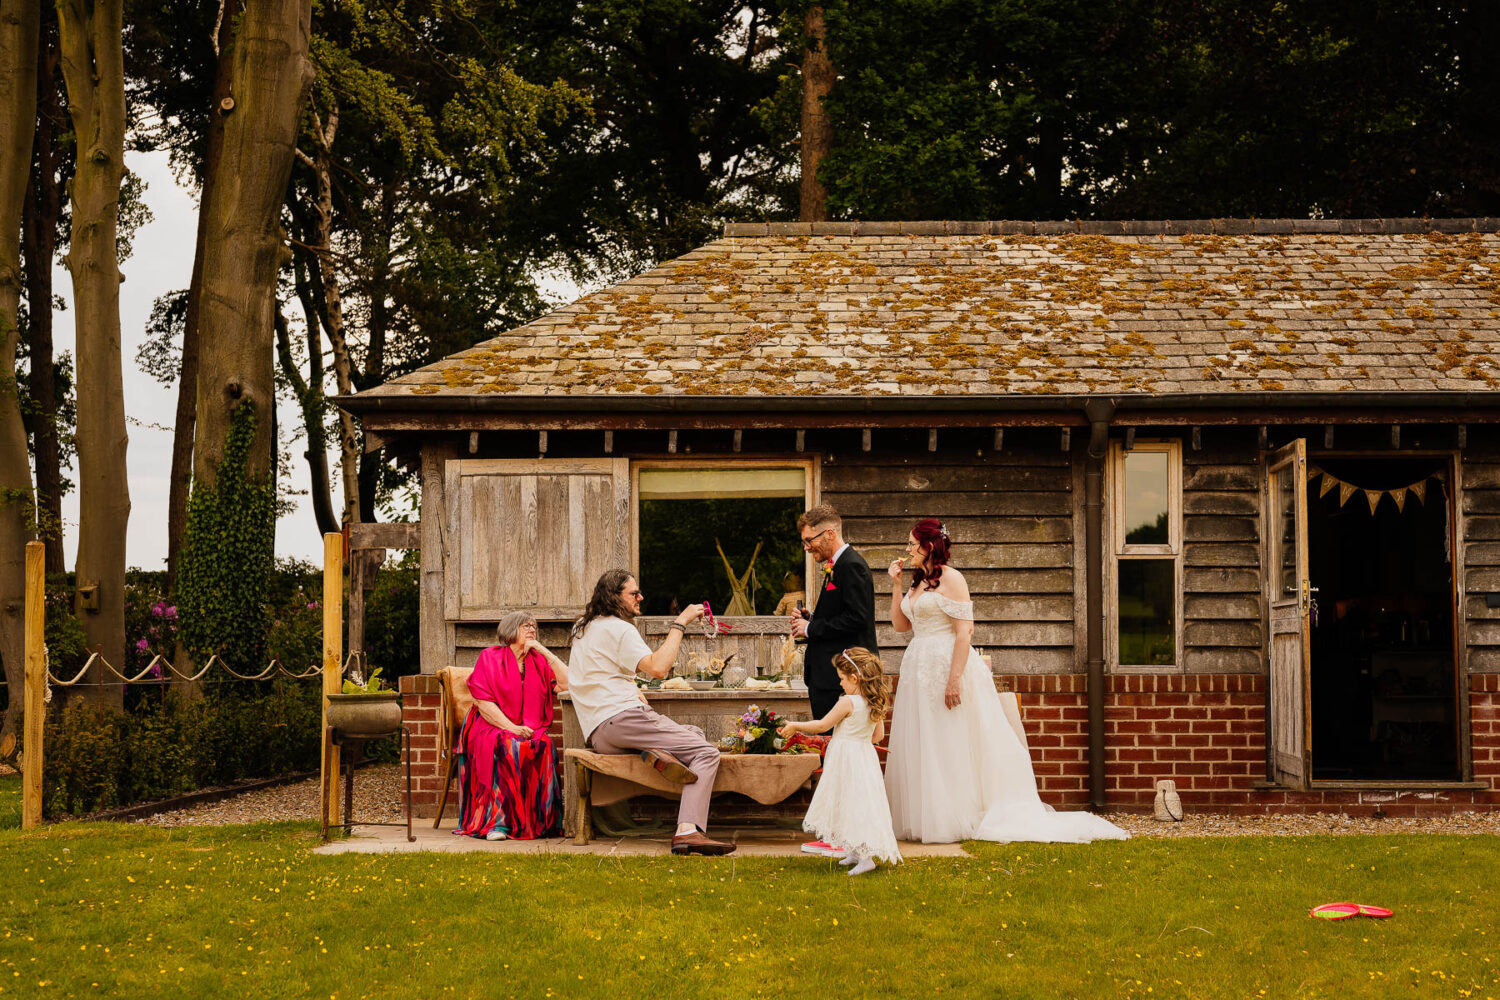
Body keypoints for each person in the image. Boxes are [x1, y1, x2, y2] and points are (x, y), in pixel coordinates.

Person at [883, 518, 1129, 845]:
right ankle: (928, 815)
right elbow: (901, 626)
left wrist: (954, 679)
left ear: (929, 547)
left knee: (950, 738)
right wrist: (896, 585)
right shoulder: (916, 583)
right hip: (918, 667)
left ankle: (957, 815)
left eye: (912, 544)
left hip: (947, 665)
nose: (907, 550)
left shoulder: (952, 579)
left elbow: (964, 632)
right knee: (924, 738)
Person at [568, 568, 736, 856]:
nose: (640, 597)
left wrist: (631, 687)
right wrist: (680, 623)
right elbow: (659, 668)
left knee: (692, 733)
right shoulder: (620, 628)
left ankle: (661, 753)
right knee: (706, 752)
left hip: (600, 733)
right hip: (624, 718)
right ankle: (688, 831)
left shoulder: (584, 627)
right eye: (634, 593)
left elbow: (597, 672)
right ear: (613, 596)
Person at [781, 647, 902, 876]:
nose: (841, 684)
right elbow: (877, 736)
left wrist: (796, 726)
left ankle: (866, 859)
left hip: (846, 759)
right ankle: (855, 852)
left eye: (843, 679)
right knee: (857, 802)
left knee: (850, 802)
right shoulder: (873, 702)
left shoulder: (847, 702)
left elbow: (822, 726)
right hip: (865, 759)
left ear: (855, 679)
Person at [454, 611, 567, 841]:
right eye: (526, 626)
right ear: (510, 630)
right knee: (508, 745)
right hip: (488, 724)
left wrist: (543, 650)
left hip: (528, 725)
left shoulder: (538, 661)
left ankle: (541, 823)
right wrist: (512, 728)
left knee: (543, 744)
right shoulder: (489, 657)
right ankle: (499, 823)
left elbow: (568, 683)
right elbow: (484, 704)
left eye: (534, 626)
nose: (532, 630)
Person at [788, 505, 879, 726]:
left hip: (842, 678)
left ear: (830, 533)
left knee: (834, 745)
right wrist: (811, 619)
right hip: (829, 677)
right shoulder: (838, 565)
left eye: (810, 540)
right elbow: (843, 612)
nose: (807, 548)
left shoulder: (851, 566)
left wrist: (810, 629)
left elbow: (858, 618)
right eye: (805, 542)